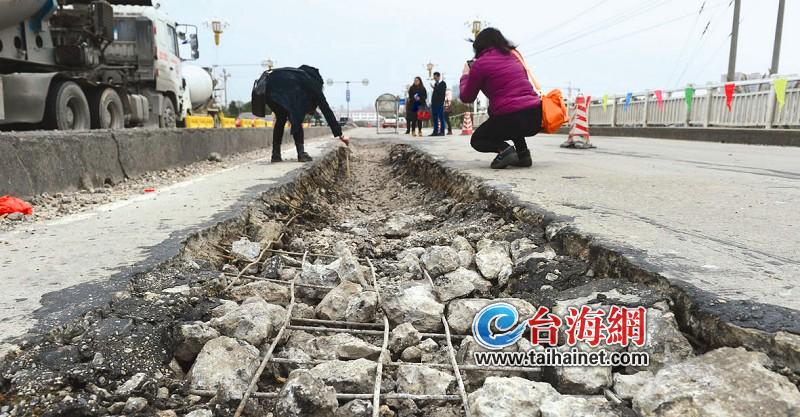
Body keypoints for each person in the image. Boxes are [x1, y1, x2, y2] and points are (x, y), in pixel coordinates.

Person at [460, 28, 542, 169]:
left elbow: (467, 97)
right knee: (511, 110)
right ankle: (523, 154)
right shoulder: (516, 55)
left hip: (511, 118)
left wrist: (466, 75)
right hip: (535, 116)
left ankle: (505, 150)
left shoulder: (480, 64)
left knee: (478, 139)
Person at [252, 65, 348, 163]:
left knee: (281, 118)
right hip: (275, 88)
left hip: (267, 89)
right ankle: (301, 154)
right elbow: (326, 109)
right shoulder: (312, 82)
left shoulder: (296, 76)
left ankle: (275, 155)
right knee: (296, 116)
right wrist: (340, 134)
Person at [430, 72, 447, 136]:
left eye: (435, 77)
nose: (434, 78)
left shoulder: (443, 84)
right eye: (434, 77)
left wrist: (434, 88)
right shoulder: (435, 84)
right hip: (434, 103)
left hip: (439, 103)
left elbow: (441, 92)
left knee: (441, 117)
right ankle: (435, 131)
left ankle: (442, 131)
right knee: (434, 118)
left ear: (438, 76)